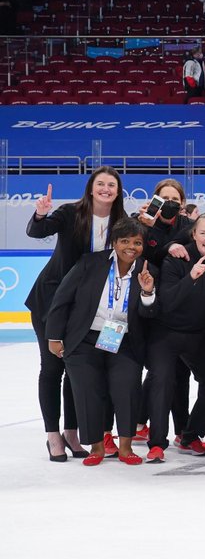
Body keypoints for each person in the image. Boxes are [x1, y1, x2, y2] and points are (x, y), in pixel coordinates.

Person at [27, 168, 127, 462]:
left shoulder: (122, 222)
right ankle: (52, 435)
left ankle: (72, 432)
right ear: (91, 188)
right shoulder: (71, 213)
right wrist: (41, 215)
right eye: (101, 184)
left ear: (118, 191)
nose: (106, 189)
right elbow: (37, 231)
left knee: (77, 369)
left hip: (86, 308)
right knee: (52, 367)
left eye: (112, 184)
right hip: (52, 299)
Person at [46, 217, 159, 466]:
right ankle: (96, 447)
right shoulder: (90, 263)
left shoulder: (148, 271)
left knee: (127, 387)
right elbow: (61, 300)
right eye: (125, 241)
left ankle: (126, 448)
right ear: (115, 243)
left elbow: (149, 315)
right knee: (88, 390)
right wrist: (54, 337)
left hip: (125, 341)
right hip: (84, 339)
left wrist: (148, 292)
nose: (131, 247)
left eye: (137, 242)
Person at [146, 213, 205, 461]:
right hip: (166, 332)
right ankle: (156, 443)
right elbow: (167, 301)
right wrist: (190, 278)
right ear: (194, 235)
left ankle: (190, 435)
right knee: (162, 381)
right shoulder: (178, 258)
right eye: (203, 233)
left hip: (199, 335)